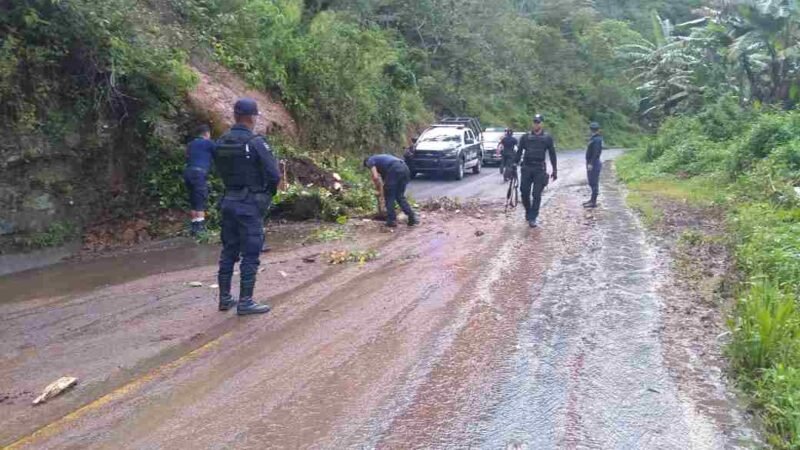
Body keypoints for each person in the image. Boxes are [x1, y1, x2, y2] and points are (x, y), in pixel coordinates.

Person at [213, 98, 281, 316]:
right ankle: (246, 301)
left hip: (228, 200)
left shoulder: (222, 141)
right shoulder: (256, 142)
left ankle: (224, 299)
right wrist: (266, 195)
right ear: (253, 117)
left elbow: (219, 170)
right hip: (249, 203)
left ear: (235, 116)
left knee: (229, 250)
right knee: (251, 251)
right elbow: (274, 174)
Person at [516, 114, 557, 228]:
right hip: (527, 168)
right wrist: (513, 165)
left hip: (539, 169)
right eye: (534, 122)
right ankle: (528, 212)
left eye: (538, 122)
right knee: (524, 192)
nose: (536, 124)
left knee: (536, 194)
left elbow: (553, 154)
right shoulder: (525, 137)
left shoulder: (547, 138)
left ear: (542, 123)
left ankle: (533, 217)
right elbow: (519, 152)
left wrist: (555, 170)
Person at [364, 153, 418, 228]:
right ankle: (412, 217)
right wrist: (380, 191)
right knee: (399, 196)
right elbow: (383, 184)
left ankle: (391, 221)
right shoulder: (382, 161)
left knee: (389, 196)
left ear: (366, 163)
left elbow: (376, 177)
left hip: (394, 169)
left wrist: (378, 191)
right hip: (405, 168)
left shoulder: (370, 160)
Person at [184, 124, 214, 236]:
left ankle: (194, 226)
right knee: (200, 199)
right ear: (207, 134)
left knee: (193, 200)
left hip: (188, 172)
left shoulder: (190, 144)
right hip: (199, 173)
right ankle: (201, 229)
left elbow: (187, 156)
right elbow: (218, 153)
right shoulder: (208, 143)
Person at [584, 122, 603, 209]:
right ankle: (592, 200)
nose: (592, 131)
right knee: (591, 182)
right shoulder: (594, 138)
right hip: (591, 162)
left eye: (594, 129)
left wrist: (591, 163)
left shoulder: (597, 140)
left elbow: (596, 153)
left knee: (594, 182)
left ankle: (593, 201)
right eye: (592, 129)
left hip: (594, 163)